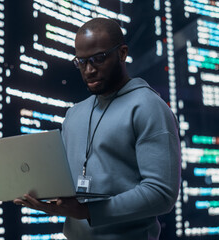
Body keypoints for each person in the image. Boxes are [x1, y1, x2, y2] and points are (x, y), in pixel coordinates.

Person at [14, 18, 181, 240]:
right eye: (81, 62)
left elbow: (161, 194)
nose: (89, 70)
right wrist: (47, 196)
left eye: (99, 58)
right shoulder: (74, 114)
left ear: (122, 53)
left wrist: (88, 212)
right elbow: (66, 183)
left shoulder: (149, 107)